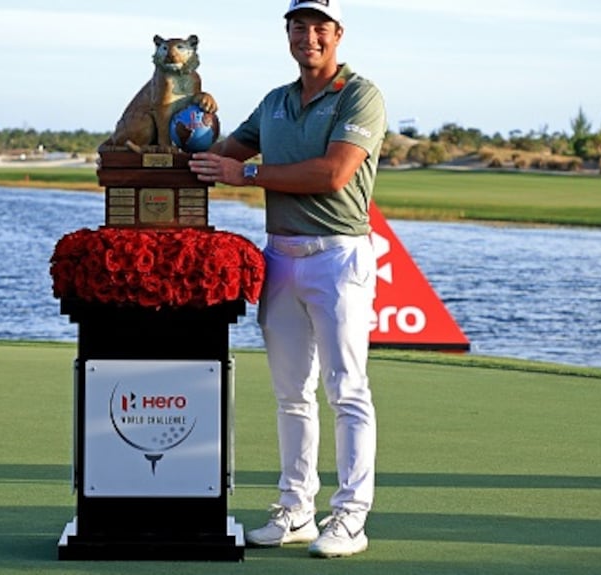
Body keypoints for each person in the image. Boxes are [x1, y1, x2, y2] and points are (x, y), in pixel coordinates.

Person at [189, 0, 386, 559]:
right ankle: (297, 509)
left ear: (338, 33)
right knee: (290, 394)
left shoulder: (359, 95)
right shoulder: (275, 102)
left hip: (338, 256)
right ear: (289, 35)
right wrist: (188, 124)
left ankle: (350, 516)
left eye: (320, 26)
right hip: (280, 256)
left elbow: (333, 173)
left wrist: (246, 174)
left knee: (347, 390)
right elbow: (220, 152)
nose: (309, 37)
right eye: (299, 27)